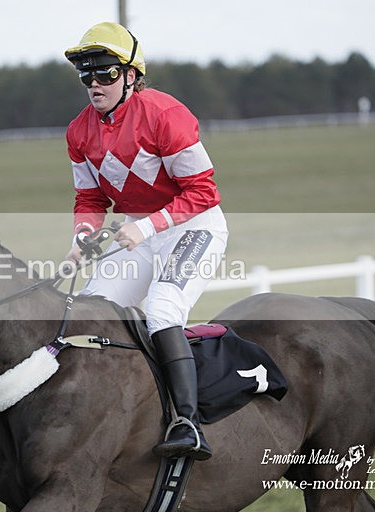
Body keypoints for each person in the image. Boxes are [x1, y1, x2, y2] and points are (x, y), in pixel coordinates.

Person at [64, 22, 229, 461]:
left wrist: (146, 226)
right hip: (140, 232)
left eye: (105, 74)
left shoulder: (165, 114)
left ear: (131, 76)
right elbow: (91, 196)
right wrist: (84, 236)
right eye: (87, 76)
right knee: (91, 310)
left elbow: (203, 192)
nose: (94, 84)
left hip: (194, 227)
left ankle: (187, 423)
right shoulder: (79, 132)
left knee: (161, 309)